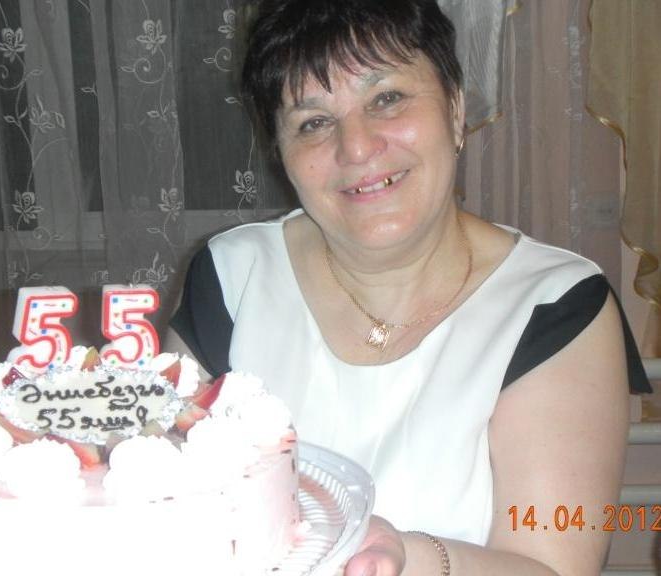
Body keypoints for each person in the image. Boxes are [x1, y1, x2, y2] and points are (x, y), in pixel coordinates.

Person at [166, 0, 652, 574]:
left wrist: (407, 555)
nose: (356, 147)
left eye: (387, 98)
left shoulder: (556, 307)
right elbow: (164, 511)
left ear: (455, 109)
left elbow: (553, 566)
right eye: (313, 122)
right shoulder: (231, 276)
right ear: (282, 154)